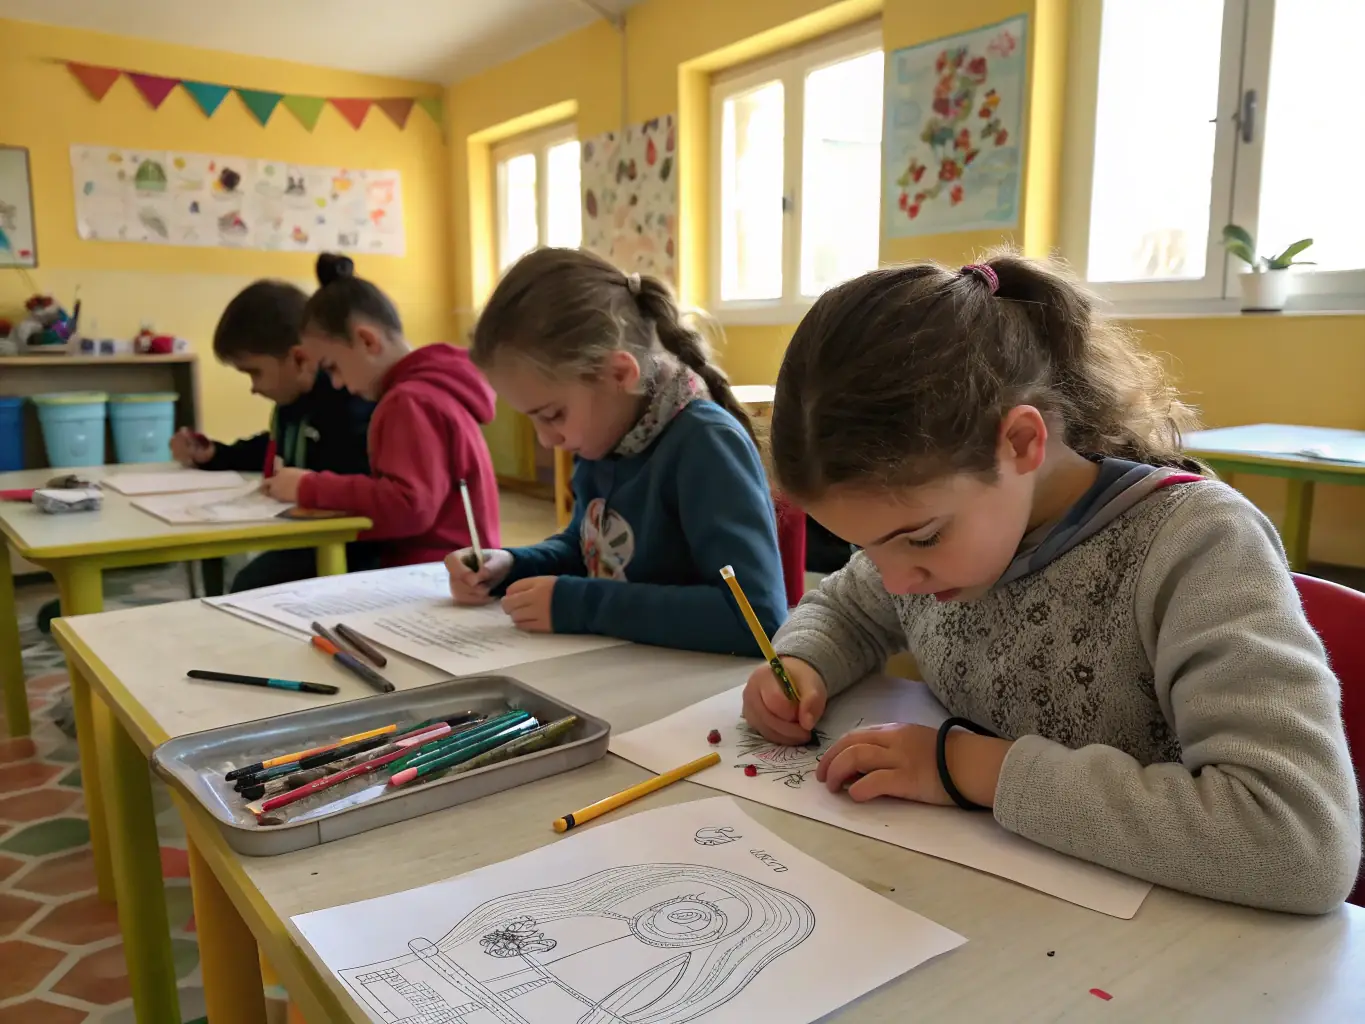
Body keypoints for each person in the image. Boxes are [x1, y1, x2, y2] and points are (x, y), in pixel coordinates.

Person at [742, 253, 1361, 914]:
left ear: (1019, 443)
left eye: (920, 540)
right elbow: (849, 605)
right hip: (1008, 906)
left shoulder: (1193, 546)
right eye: (865, 545)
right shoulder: (944, 525)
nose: (898, 579)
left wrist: (965, 768)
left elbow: (1296, 844)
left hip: (1182, 950)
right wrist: (801, 662)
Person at [446, 247, 785, 657]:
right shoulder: (608, 431)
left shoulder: (706, 444)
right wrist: (514, 565)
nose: (546, 440)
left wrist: (579, 604)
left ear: (620, 374)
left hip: (696, 696)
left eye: (552, 415)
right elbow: (592, 548)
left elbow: (755, 619)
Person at [262, 255, 500, 568]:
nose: (336, 383)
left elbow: (409, 506)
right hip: (455, 565)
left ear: (366, 341)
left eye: (333, 367)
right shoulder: (431, 387)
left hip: (434, 571)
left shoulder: (408, 400)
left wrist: (309, 486)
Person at [170, 279, 378, 592]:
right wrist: (217, 454)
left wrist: (307, 486)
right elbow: (276, 450)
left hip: (354, 547)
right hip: (307, 536)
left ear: (298, 359)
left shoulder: (349, 401)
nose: (253, 387)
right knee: (240, 579)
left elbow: (361, 483)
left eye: (254, 372)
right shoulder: (293, 403)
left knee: (248, 587)